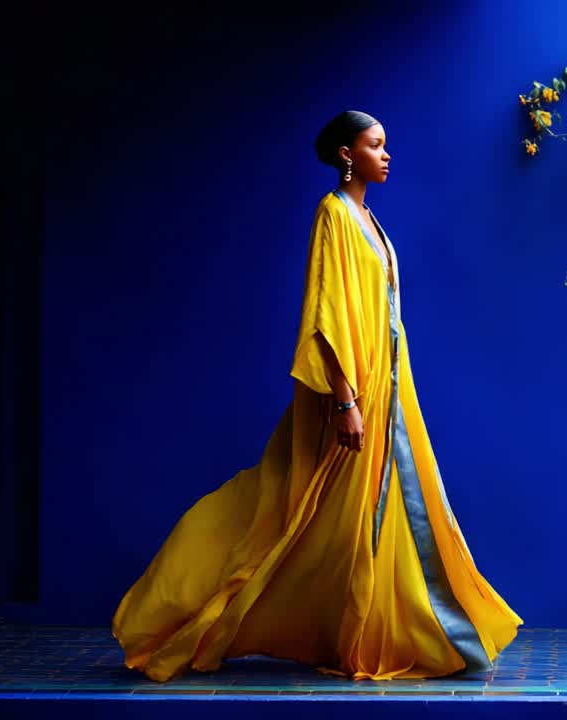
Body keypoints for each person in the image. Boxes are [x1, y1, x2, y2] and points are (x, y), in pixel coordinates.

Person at [111, 110, 523, 682]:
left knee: (375, 512)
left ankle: (399, 631)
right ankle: (183, 615)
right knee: (293, 510)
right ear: (346, 154)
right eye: (376, 145)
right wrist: (345, 401)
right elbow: (326, 315)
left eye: (387, 146)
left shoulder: (369, 220)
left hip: (391, 386)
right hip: (356, 393)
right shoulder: (333, 215)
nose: (387, 155)